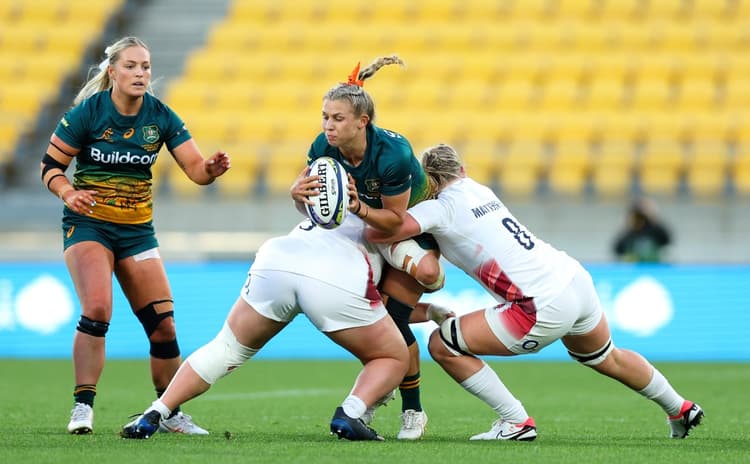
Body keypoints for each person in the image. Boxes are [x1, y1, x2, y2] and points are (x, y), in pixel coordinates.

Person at [367, 143, 704, 441]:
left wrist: (363, 211)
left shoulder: (439, 207)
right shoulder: (479, 189)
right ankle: (680, 408)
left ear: (429, 182)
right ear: (462, 170)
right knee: (607, 356)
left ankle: (515, 421)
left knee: (443, 344)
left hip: (538, 304)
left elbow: (389, 230)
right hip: (573, 278)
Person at [40, 36, 231, 435]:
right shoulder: (86, 114)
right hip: (90, 225)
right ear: (112, 72)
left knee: (164, 327)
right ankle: (83, 406)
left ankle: (168, 411)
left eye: (145, 66)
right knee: (97, 310)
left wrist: (210, 169)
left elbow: (195, 170)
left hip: (137, 232)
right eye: (131, 66)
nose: (140, 73)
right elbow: (50, 168)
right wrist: (68, 191)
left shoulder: (160, 116)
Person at [121, 214, 419, 441]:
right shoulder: (395, 221)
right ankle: (350, 414)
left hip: (279, 259)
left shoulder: (330, 202)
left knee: (225, 347)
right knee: (391, 356)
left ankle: (158, 411)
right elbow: (427, 277)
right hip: (335, 275)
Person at [290, 56, 445, 440]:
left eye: (337, 118)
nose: (328, 125)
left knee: (397, 315)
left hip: (411, 228)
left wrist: (358, 206)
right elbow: (317, 206)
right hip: (369, 230)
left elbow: (395, 221)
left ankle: (413, 410)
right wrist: (297, 195)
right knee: (383, 320)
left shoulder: (392, 153)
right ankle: (422, 314)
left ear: (363, 121)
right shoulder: (322, 147)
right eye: (325, 116)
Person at [612, 198, 672, 263]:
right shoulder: (628, 234)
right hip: (634, 269)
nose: (637, 220)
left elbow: (667, 239)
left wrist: (652, 217)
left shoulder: (653, 230)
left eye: (640, 217)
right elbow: (617, 249)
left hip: (653, 267)